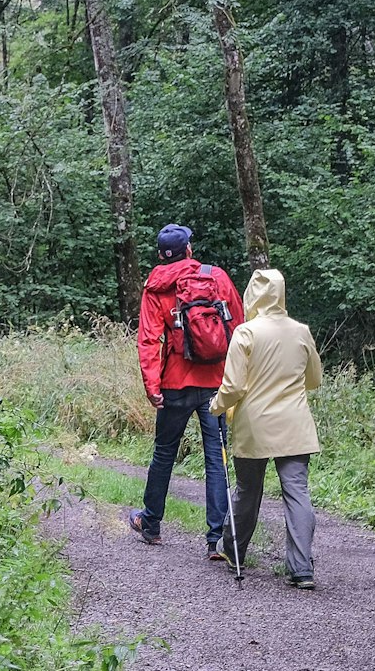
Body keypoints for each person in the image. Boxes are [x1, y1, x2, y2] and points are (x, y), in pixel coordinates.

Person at [128, 223, 244, 560]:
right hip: (214, 384)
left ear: (162, 255)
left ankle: (150, 525)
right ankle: (215, 540)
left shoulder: (156, 287)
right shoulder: (215, 277)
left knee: (164, 452)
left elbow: (149, 340)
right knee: (215, 459)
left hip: (175, 383)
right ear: (189, 250)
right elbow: (238, 326)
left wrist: (152, 386)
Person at [212, 267, 324, 589]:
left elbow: (232, 387)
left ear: (253, 295)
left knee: (248, 490)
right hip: (295, 426)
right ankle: (302, 569)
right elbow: (313, 380)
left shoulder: (246, 333)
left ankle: (234, 550)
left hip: (255, 426)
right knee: (297, 493)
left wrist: (216, 406)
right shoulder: (301, 331)